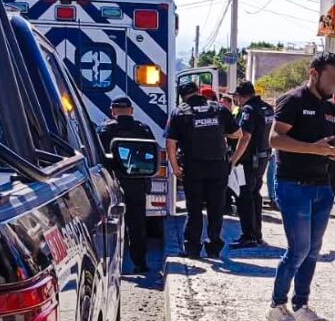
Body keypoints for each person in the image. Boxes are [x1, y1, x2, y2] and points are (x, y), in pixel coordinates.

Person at [267, 52, 335, 321]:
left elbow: (323, 143)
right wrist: (315, 148)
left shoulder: (330, 109)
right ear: (314, 73)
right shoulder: (293, 100)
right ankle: (277, 305)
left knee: (313, 250)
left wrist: (332, 152)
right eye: (331, 78)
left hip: (321, 185)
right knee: (298, 249)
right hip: (293, 185)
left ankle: (301, 305)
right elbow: (275, 139)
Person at [166, 82, 242, 259]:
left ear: (182, 96)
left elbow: (170, 143)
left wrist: (175, 168)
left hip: (193, 168)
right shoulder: (219, 109)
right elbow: (237, 134)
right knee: (216, 208)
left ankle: (192, 249)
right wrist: (220, 132)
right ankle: (214, 247)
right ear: (198, 92)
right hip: (218, 167)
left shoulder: (180, 111)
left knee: (194, 209)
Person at [97, 97, 155, 273]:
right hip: (137, 182)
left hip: (111, 183)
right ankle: (140, 263)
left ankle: (110, 265)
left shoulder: (104, 130)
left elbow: (97, 158)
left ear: (112, 111)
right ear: (131, 110)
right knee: (137, 224)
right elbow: (151, 153)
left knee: (109, 225)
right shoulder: (143, 129)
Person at [230, 80, 275, 249]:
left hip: (248, 162)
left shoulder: (249, 110)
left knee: (244, 196)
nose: (235, 100)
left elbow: (245, 136)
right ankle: (257, 234)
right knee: (255, 195)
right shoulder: (266, 108)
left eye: (236, 96)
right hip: (262, 158)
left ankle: (248, 235)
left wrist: (233, 160)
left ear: (241, 96)